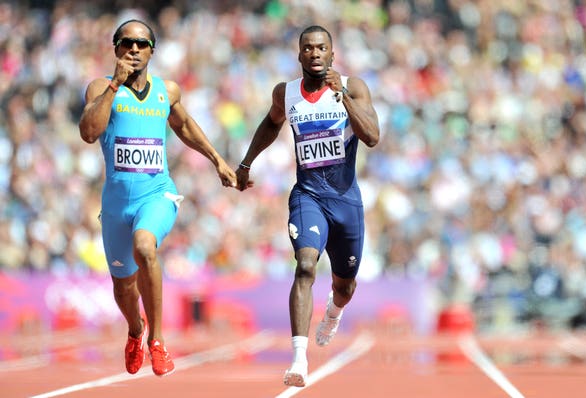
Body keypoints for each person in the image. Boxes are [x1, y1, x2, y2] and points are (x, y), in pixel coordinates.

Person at [78, 19, 237, 377]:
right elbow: (89, 132)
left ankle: (158, 340)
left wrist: (218, 161)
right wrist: (115, 84)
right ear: (115, 48)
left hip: (157, 193)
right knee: (123, 287)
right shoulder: (100, 88)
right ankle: (135, 329)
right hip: (117, 204)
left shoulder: (167, 91)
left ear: (152, 50)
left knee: (146, 246)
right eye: (126, 43)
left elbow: (184, 126)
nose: (133, 49)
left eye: (141, 43)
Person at [235, 25, 380, 387]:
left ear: (332, 54)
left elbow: (372, 136)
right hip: (308, 196)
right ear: (299, 55)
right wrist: (246, 163)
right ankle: (299, 359)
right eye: (308, 48)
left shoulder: (354, 86)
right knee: (304, 266)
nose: (315, 53)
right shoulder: (286, 94)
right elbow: (270, 125)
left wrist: (342, 95)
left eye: (321, 48)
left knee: (345, 286)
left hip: (346, 202)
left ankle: (333, 311)